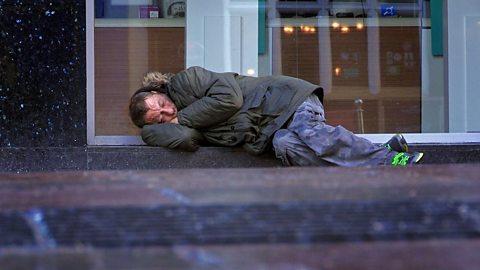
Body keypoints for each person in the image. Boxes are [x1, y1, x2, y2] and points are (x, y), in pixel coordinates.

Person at [129, 66, 423, 167]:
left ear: (158, 89)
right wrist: (152, 131)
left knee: (310, 133)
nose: (168, 111)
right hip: (272, 131)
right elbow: (186, 139)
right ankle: (383, 153)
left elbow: (229, 99)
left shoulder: (186, 80)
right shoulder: (180, 124)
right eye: (160, 117)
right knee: (286, 146)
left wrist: (179, 119)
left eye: (161, 103)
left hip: (286, 100)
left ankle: (391, 161)